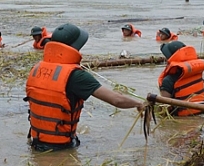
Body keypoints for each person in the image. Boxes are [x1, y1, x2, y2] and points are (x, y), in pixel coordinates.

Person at [24, 23, 144, 151]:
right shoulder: (76, 76)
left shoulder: (36, 68)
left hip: (35, 142)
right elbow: (116, 100)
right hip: (60, 147)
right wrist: (138, 104)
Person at [158, 41, 204, 116]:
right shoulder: (195, 73)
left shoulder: (168, 80)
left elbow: (165, 108)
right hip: (200, 114)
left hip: (180, 120)